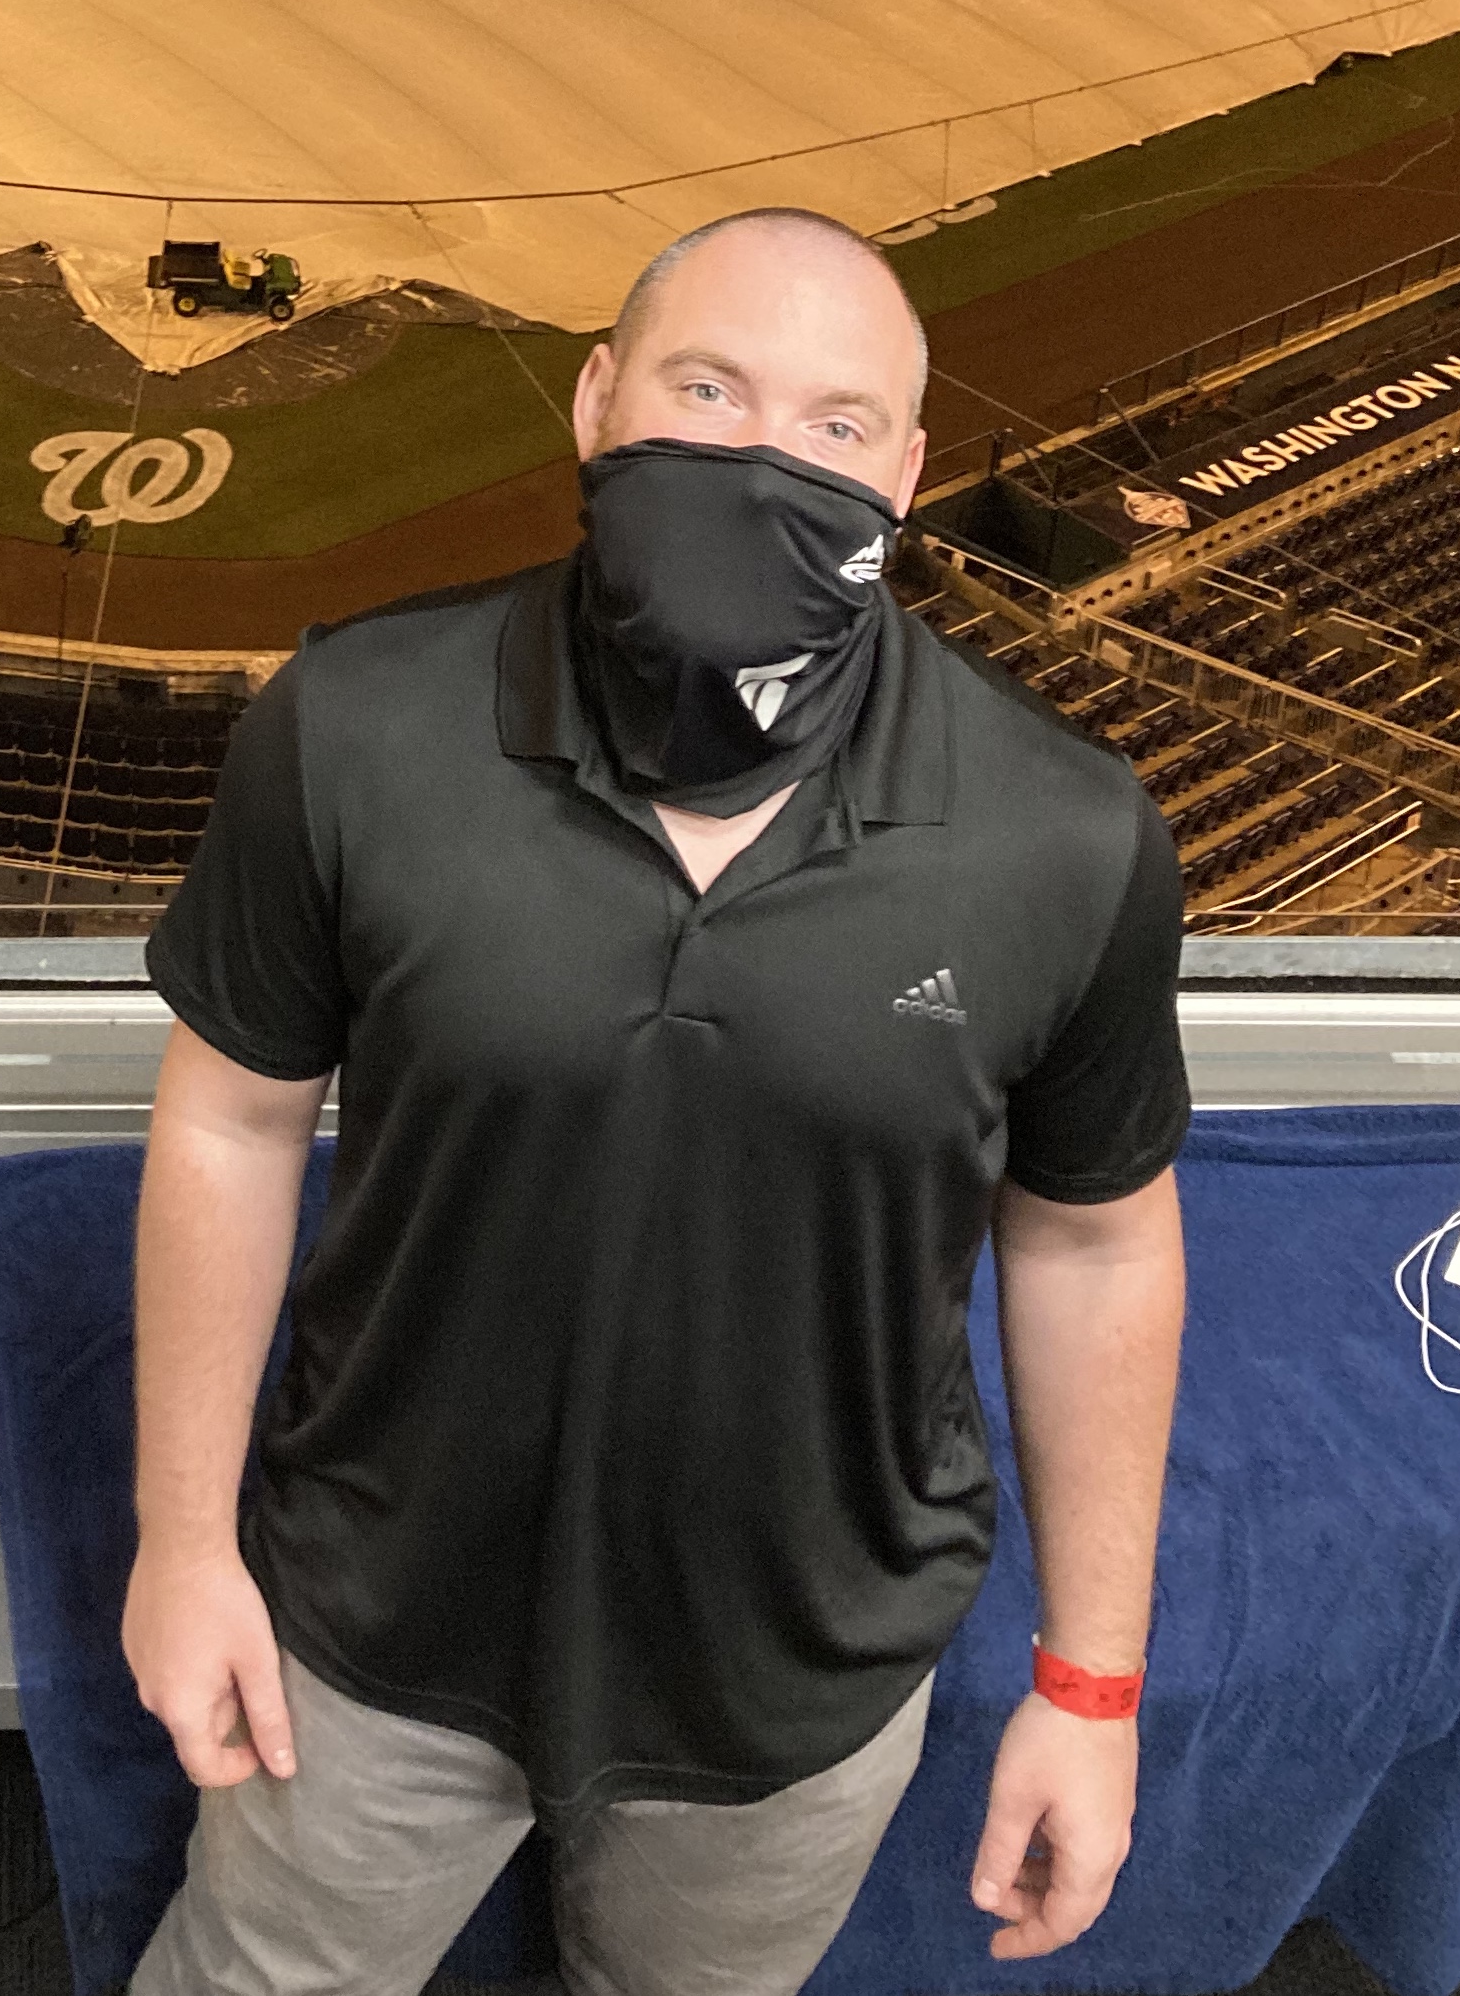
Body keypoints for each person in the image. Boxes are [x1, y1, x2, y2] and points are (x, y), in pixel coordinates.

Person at [124, 206, 1189, 1996]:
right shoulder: (357, 722)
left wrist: (1094, 1684)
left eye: (835, 424)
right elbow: (230, 1122)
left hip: (794, 1671)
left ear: (909, 472)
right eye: (708, 389)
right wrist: (182, 1542)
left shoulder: (1066, 835)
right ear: (598, 400)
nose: (765, 457)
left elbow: (1094, 1249)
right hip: (374, 1614)